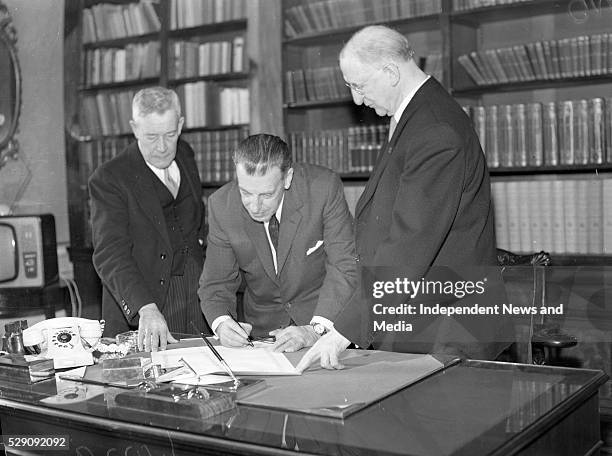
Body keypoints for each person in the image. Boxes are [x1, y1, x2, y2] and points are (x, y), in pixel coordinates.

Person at [297, 25, 512, 371]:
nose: (356, 100)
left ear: (391, 72)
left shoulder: (435, 130)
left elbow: (407, 246)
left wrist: (342, 332)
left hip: (447, 331)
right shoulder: (417, 117)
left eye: (359, 86)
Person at [198, 133, 357, 352]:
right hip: (264, 337)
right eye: (246, 193)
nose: (255, 206)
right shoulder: (222, 205)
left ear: (288, 177)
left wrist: (315, 330)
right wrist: (222, 324)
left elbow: (344, 265)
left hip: (324, 328)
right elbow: (216, 283)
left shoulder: (322, 189)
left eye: (266, 195)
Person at [89, 86, 208, 352]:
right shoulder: (110, 178)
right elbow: (110, 253)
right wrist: (146, 308)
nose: (163, 147)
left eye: (170, 134)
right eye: (151, 137)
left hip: (196, 300)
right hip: (148, 305)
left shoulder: (186, 154)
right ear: (134, 128)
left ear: (180, 125)